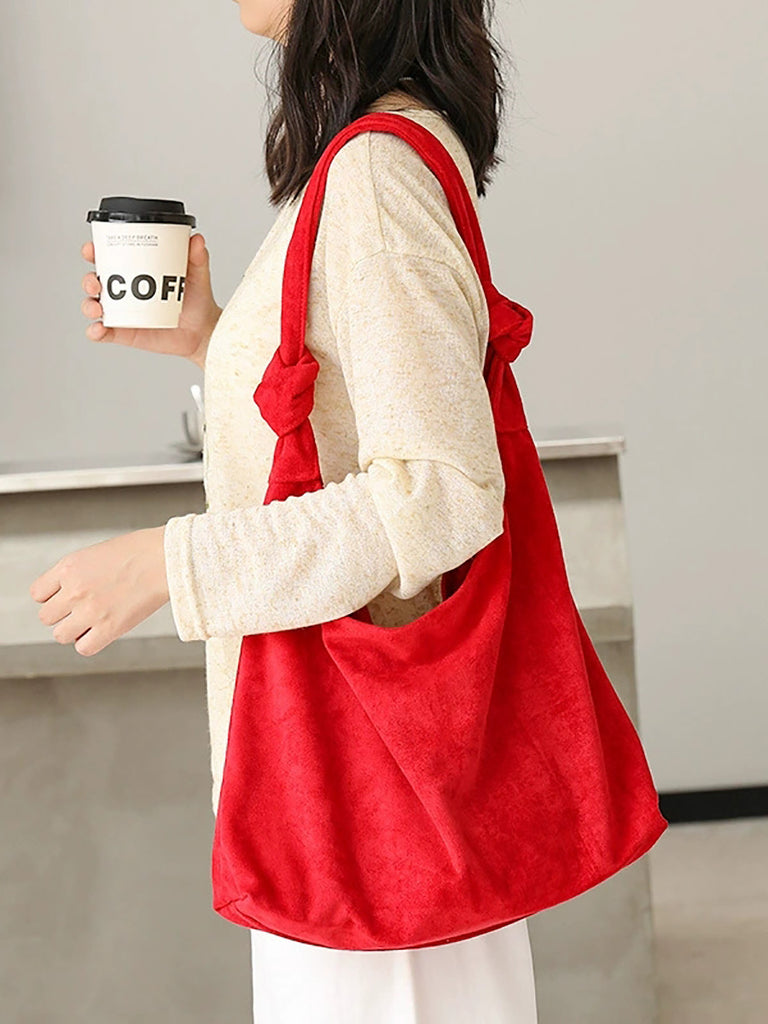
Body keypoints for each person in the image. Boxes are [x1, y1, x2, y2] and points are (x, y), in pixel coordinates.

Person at [32, 0, 540, 1020]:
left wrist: (170, 566)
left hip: (365, 796)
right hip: (363, 789)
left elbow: (443, 491)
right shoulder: (369, 154)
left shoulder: (374, 174)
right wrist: (214, 339)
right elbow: (355, 424)